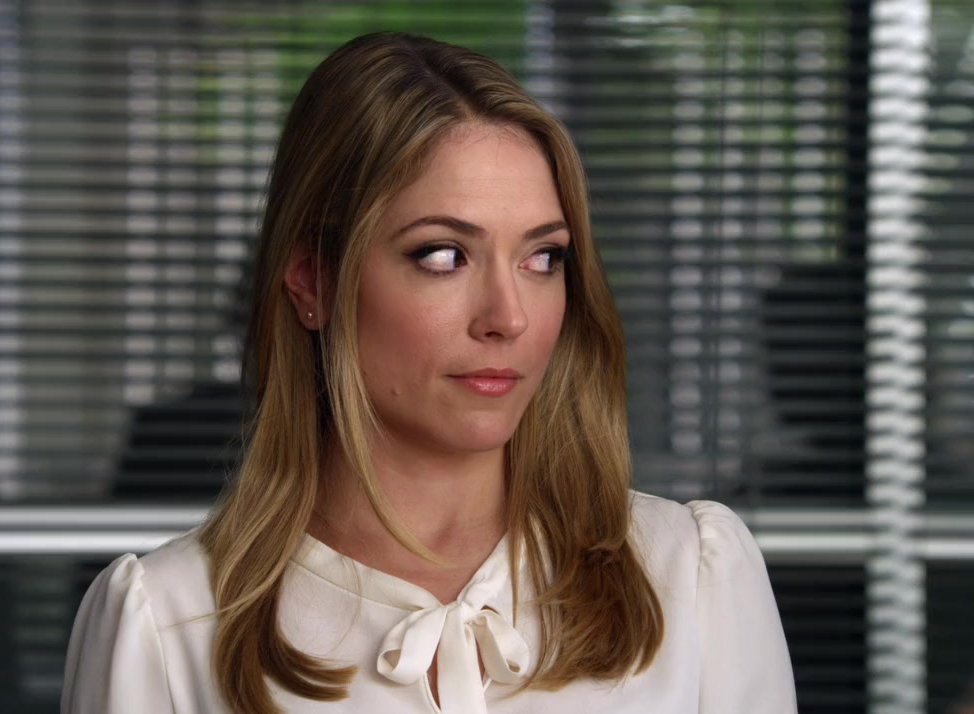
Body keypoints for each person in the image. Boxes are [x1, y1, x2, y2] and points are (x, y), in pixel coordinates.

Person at [61, 31, 797, 713]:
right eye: (443, 255)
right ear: (313, 281)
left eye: (543, 257)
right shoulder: (168, 627)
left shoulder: (690, 578)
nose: (508, 316)